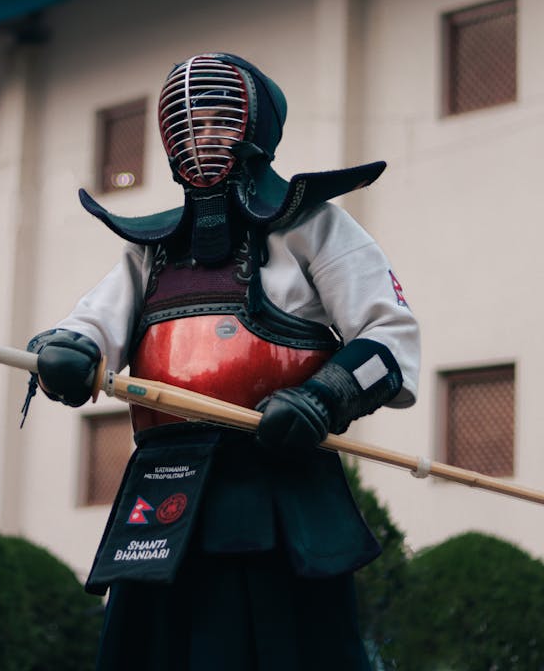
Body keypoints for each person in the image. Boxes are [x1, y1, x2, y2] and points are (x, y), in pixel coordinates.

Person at [27, 52, 420, 670]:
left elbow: (390, 340)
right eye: (188, 126)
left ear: (255, 130)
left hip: (277, 481)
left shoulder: (314, 227)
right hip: (161, 493)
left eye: (218, 121)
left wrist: (324, 396)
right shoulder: (151, 251)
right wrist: (66, 353)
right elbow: (89, 327)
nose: (201, 138)